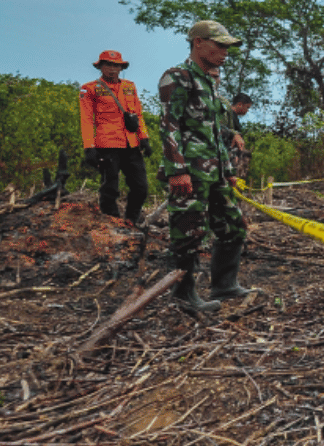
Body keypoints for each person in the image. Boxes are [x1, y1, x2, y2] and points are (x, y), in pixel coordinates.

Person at [158, 21, 255, 313]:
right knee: (188, 232)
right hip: (190, 171)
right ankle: (183, 295)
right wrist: (177, 170)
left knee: (233, 226)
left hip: (216, 171)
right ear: (198, 42)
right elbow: (168, 125)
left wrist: (229, 173)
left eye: (227, 46)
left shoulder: (210, 82)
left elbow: (214, 131)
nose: (225, 52)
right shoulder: (178, 77)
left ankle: (224, 285)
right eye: (219, 45)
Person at [79, 50, 151, 224]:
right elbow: (87, 119)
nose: (112, 68)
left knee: (141, 187)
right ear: (100, 67)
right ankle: (112, 223)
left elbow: (138, 114)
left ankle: (131, 221)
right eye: (108, 64)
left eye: (116, 65)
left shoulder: (129, 86)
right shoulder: (89, 89)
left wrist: (144, 138)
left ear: (121, 67)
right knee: (110, 188)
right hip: (107, 145)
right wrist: (89, 147)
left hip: (131, 144)